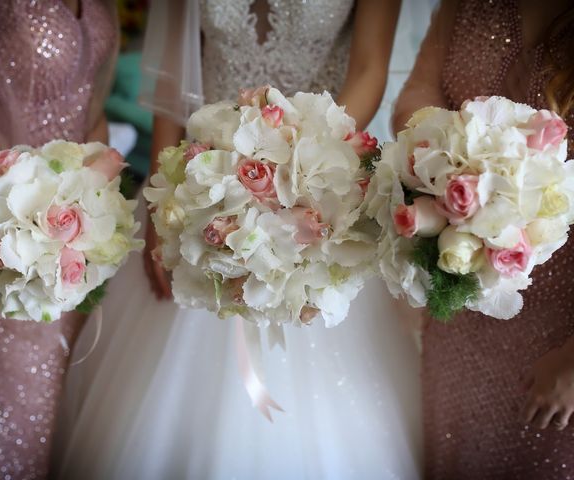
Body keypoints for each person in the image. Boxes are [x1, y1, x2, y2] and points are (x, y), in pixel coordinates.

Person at [55, 0, 431, 478]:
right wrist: (160, 202)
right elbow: (174, 75)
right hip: (204, 179)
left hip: (316, 175)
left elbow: (369, 68)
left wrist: (296, 159)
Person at [0, 0, 117, 478]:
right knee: (16, 409)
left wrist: (93, 203)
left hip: (76, 238)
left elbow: (90, 110)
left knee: (64, 405)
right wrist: (34, 206)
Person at [392, 0, 574, 478]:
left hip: (558, 333)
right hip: (461, 303)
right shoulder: (470, 7)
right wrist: (457, 164)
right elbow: (415, 96)